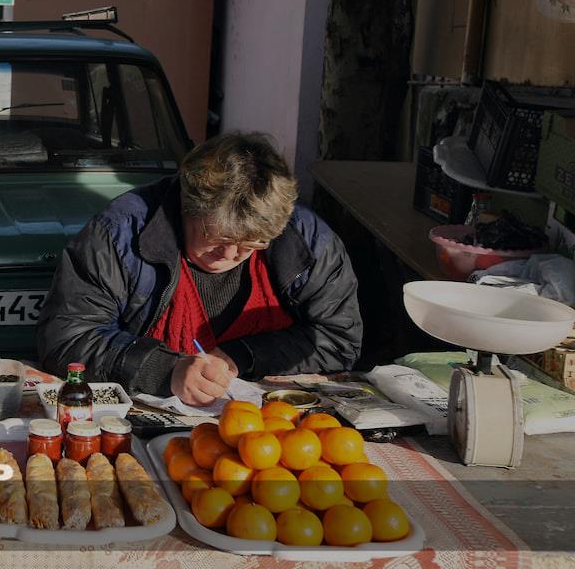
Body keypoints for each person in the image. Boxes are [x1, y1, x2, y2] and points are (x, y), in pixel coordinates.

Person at [36, 132, 361, 406]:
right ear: (186, 204)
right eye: (216, 238)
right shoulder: (121, 233)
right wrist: (163, 370)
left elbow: (337, 338)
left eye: (251, 244)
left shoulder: (307, 240)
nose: (230, 254)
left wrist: (242, 355)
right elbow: (67, 335)